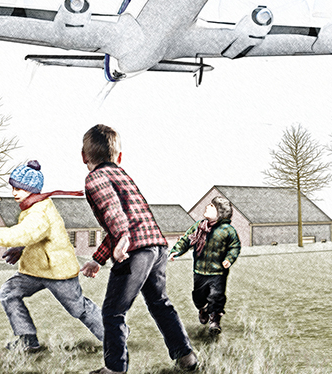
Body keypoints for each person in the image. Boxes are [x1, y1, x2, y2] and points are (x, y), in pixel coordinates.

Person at [78, 124, 198, 374]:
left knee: (113, 311)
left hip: (133, 252)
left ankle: (114, 369)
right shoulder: (123, 176)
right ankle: (185, 355)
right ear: (119, 157)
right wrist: (98, 260)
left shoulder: (94, 178)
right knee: (159, 302)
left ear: (84, 156)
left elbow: (114, 213)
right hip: (156, 247)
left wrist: (122, 237)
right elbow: (127, 219)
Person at [0, 160, 104, 352]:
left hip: (58, 272)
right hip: (35, 271)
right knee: (9, 293)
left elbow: (24, 233)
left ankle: (115, 336)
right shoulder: (32, 207)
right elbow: (34, 236)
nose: (14, 193)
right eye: (13, 187)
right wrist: (21, 248)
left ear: (33, 189)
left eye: (19, 188)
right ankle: (27, 339)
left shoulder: (39, 212)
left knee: (79, 309)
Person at [169, 196, 241, 335]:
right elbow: (186, 240)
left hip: (218, 272)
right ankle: (203, 309)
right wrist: (176, 251)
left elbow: (234, 247)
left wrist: (229, 259)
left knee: (216, 296)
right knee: (198, 297)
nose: (207, 207)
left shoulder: (228, 230)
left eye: (212, 206)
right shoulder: (199, 226)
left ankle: (214, 320)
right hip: (200, 270)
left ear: (220, 213)